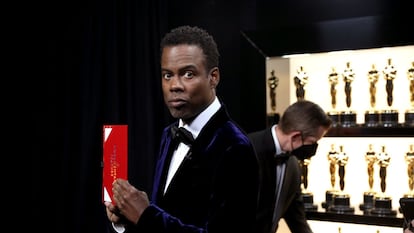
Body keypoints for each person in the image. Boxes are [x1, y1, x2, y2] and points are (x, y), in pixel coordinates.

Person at [104, 25, 259, 233]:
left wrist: (145, 215)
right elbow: (166, 217)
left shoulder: (236, 146)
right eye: (167, 75)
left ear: (213, 77)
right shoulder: (170, 134)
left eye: (187, 74)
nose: (174, 86)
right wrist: (128, 217)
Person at [248, 100, 333, 233]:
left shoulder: (293, 165)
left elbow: (296, 215)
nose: (314, 147)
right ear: (295, 137)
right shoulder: (244, 151)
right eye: (313, 142)